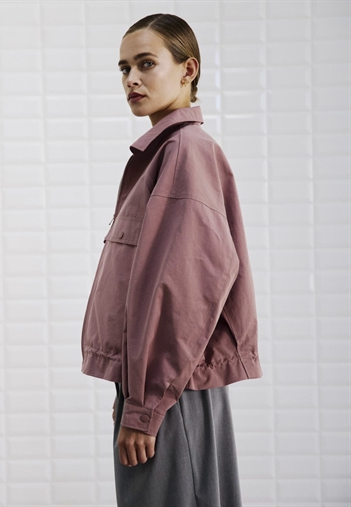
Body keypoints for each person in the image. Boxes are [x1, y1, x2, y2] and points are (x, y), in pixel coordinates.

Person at [80, 13, 263, 507]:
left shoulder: (184, 152)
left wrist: (145, 405)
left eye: (146, 64)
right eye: (124, 68)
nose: (131, 79)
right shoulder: (167, 152)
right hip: (163, 385)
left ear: (188, 69)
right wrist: (136, 394)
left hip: (169, 391)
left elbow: (184, 294)